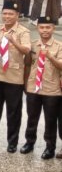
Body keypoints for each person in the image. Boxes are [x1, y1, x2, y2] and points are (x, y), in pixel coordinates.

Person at [0, 1, 30, 152]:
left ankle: (12, 142)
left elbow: (26, 50)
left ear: (17, 15)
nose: (7, 16)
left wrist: (14, 41)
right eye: (5, 13)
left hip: (13, 76)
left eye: (11, 14)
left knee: (13, 111)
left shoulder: (23, 32)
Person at [21, 17, 62, 159]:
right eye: (42, 27)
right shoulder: (33, 45)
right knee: (32, 117)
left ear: (53, 29)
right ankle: (29, 142)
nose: (45, 30)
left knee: (50, 120)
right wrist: (26, 83)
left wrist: (50, 56)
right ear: (38, 29)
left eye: (48, 27)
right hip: (34, 87)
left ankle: (50, 147)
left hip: (52, 89)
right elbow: (27, 65)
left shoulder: (59, 46)